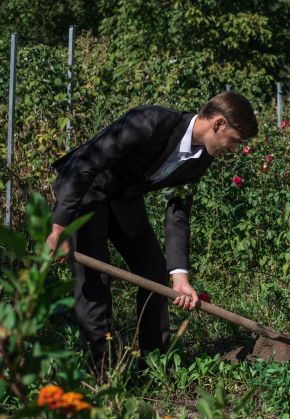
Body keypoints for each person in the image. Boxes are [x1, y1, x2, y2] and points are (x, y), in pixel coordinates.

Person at [46, 91, 257, 371]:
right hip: (87, 192)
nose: (232, 150)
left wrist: (180, 278)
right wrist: (60, 225)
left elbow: (178, 212)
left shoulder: (201, 159)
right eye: (234, 141)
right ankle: (102, 372)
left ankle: (154, 362)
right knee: (95, 280)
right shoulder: (150, 121)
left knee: (154, 271)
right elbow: (87, 163)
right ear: (218, 123)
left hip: (124, 200)